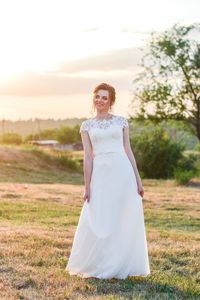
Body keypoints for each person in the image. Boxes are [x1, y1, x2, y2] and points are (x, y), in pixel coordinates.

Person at [65, 83, 150, 279]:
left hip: (122, 172)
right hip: (101, 173)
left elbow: (128, 150)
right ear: (93, 98)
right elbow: (88, 156)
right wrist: (87, 186)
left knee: (121, 217)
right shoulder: (86, 126)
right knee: (100, 216)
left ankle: (120, 263)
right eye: (97, 96)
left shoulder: (121, 122)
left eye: (104, 97)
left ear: (111, 101)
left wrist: (138, 180)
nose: (100, 100)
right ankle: (100, 263)